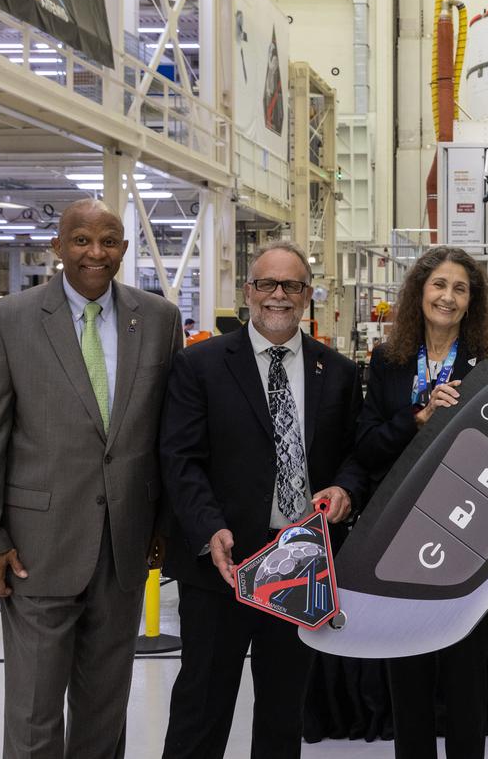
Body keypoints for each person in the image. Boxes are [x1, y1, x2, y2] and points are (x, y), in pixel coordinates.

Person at [0, 198, 182, 757]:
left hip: (124, 546)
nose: (95, 253)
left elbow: (167, 433)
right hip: (35, 550)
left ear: (123, 249)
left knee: (105, 709)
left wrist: (162, 524)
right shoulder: (9, 321)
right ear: (57, 247)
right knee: (34, 710)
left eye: (108, 241)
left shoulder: (158, 319)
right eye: (81, 240)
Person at [159, 240, 369, 759]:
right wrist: (209, 528)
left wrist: (344, 489)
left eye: (291, 285)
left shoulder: (337, 372)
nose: (279, 295)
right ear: (248, 291)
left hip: (299, 562)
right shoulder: (200, 364)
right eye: (267, 284)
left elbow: (356, 453)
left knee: (282, 710)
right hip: (222, 565)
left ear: (307, 295)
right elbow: (180, 459)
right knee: (201, 708)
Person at [353, 246, 488, 759]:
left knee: (467, 678)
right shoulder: (388, 361)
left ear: (472, 301)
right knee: (407, 675)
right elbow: (367, 445)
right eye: (439, 285)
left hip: (469, 536)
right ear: (419, 292)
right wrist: (418, 418)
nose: (448, 297)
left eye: (460, 289)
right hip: (400, 537)